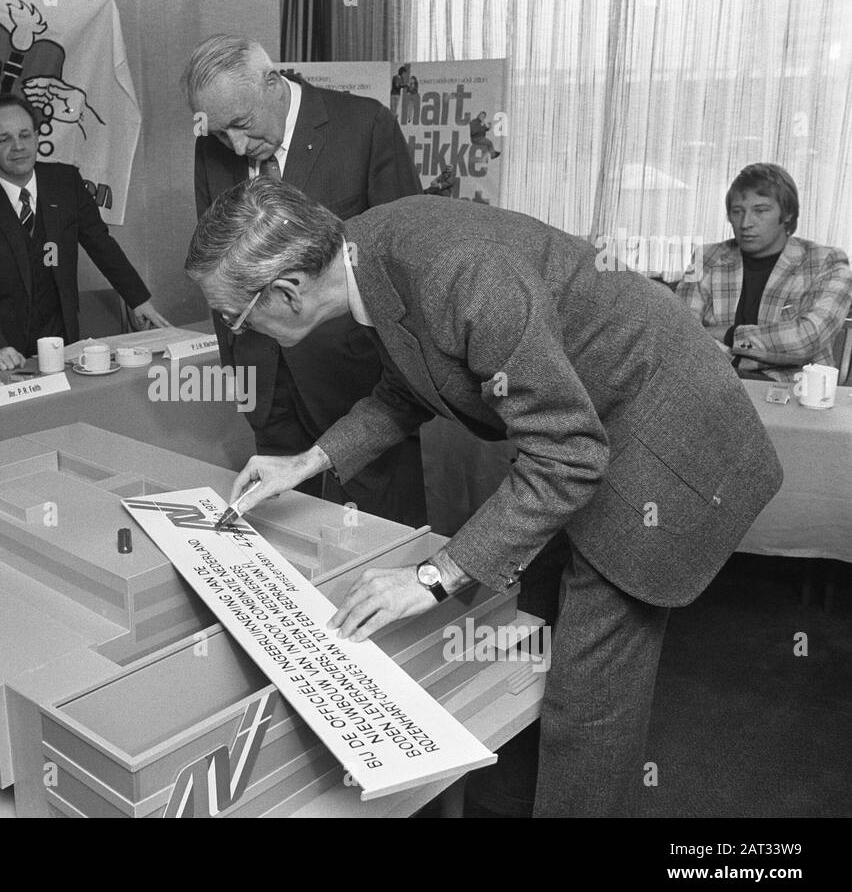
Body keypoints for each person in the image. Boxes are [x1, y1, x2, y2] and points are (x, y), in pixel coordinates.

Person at [185, 178, 783, 817]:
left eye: (235, 315)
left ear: (286, 291)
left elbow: (566, 457)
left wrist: (432, 575)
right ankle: (517, 788)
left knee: (589, 681)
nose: (233, 328)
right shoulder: (370, 252)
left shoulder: (457, 274)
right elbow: (407, 389)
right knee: (530, 614)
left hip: (668, 436)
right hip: (591, 423)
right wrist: (307, 461)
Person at [184, 34, 426, 527]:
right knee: (283, 524)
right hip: (264, 379)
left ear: (273, 83)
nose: (234, 145)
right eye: (219, 133)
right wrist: (236, 367)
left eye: (242, 125)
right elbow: (218, 264)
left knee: (374, 525)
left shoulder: (364, 126)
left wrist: (400, 380)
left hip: (355, 381)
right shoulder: (212, 149)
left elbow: (406, 260)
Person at [0, 94, 169, 372]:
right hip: (2, 350)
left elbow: (101, 244)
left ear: (37, 137)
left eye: (25, 135)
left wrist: (138, 300)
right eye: (4, 140)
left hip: (61, 339)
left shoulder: (66, 182)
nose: (18, 147)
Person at [676, 162, 852, 381]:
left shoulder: (826, 261)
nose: (746, 223)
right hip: (715, 384)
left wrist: (730, 335)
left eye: (760, 210)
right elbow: (680, 334)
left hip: (794, 393)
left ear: (787, 214)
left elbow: (805, 341)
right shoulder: (706, 257)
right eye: (737, 212)